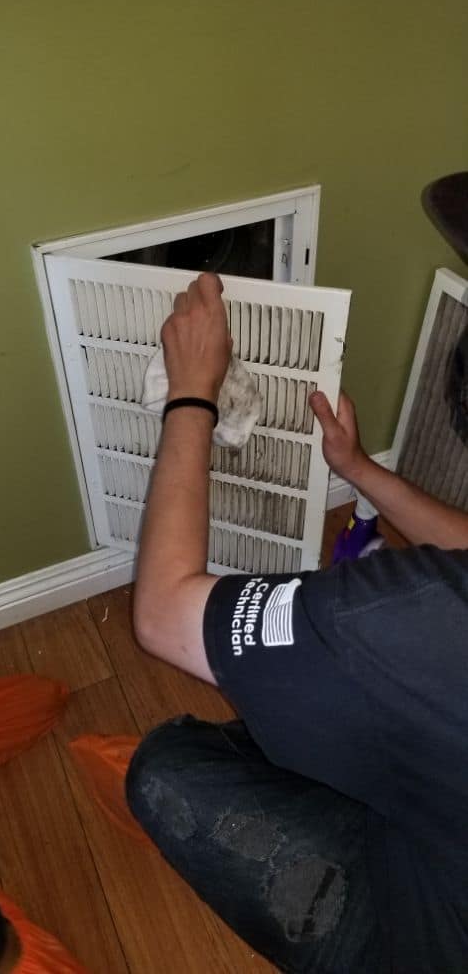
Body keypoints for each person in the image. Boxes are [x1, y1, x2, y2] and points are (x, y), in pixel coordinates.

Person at [126, 272, 468, 974]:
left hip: (423, 941)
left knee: (166, 766)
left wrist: (192, 393)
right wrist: (358, 469)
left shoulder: (392, 617)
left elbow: (163, 614)